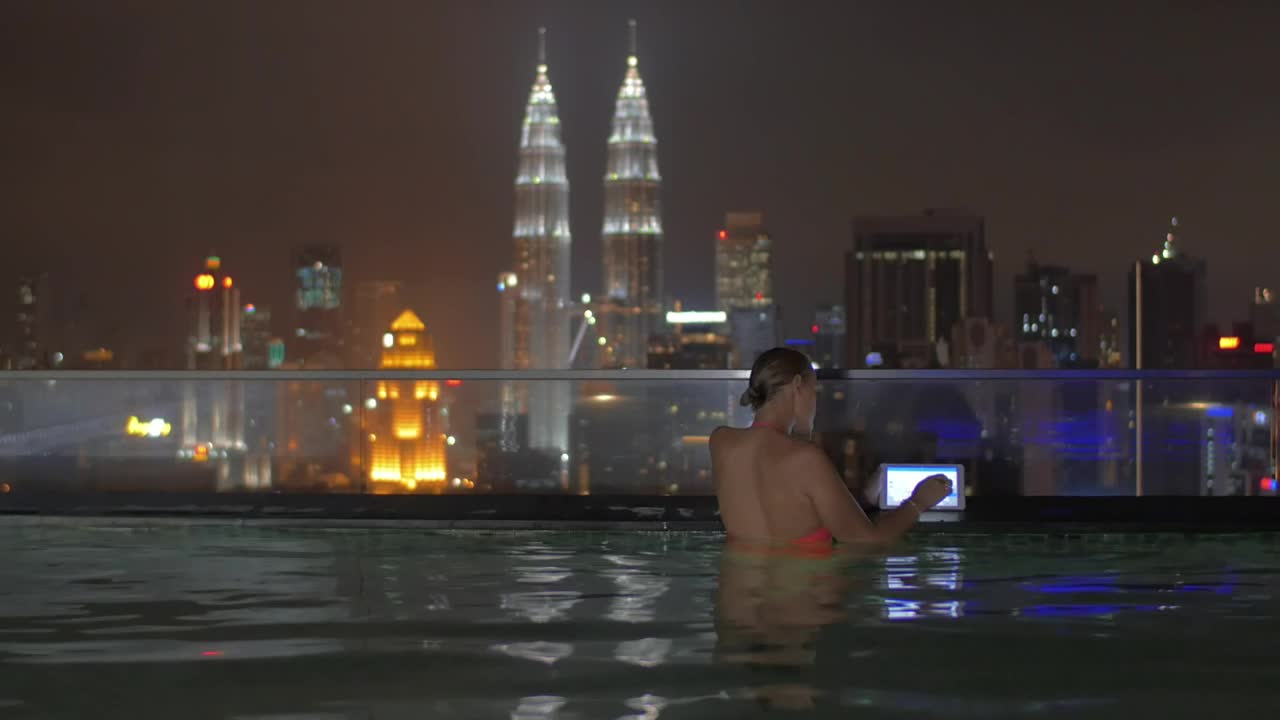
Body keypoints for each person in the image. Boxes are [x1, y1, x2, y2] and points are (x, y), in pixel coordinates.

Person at [710, 347, 952, 546]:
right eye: (814, 391)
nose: (815, 401)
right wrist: (919, 502)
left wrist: (863, 500)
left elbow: (786, 507)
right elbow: (867, 540)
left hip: (742, 589)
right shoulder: (806, 458)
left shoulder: (721, 442)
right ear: (797, 386)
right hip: (803, 591)